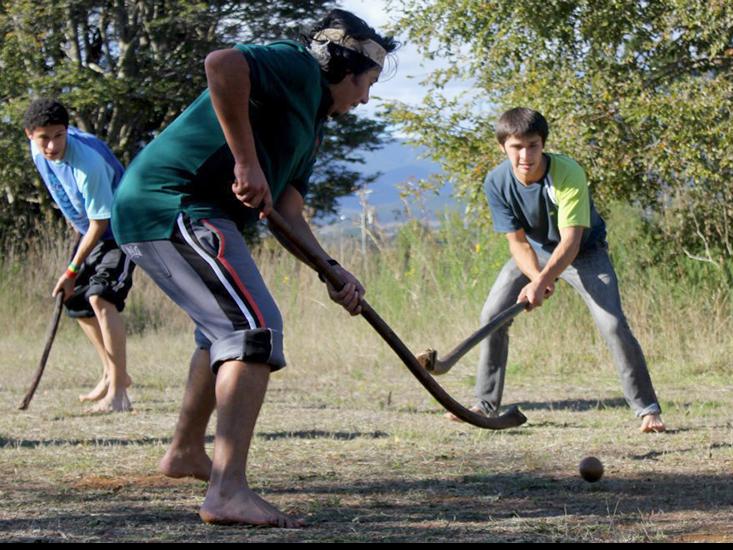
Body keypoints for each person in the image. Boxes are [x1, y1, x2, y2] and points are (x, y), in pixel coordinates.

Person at [111, 9, 397, 528]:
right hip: (171, 204)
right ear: (344, 68)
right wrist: (246, 161)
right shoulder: (296, 66)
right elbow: (222, 65)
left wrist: (331, 270)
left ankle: (186, 453)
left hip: (191, 213)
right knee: (253, 330)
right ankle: (226, 491)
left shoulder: (310, 128)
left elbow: (287, 212)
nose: (365, 99)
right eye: (367, 83)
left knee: (219, 332)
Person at [446, 107, 665, 434]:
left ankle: (647, 410)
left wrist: (544, 280)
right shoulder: (496, 182)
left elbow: (571, 241)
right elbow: (517, 242)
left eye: (532, 145)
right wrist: (538, 278)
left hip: (585, 252)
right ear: (503, 147)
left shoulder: (567, 173)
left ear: (543, 144)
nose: (525, 155)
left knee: (613, 324)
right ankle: (485, 404)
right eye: (516, 147)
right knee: (493, 314)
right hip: (534, 250)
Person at [23, 99, 135, 413]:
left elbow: (102, 221)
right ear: (29, 134)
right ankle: (115, 374)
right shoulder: (38, 151)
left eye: (59, 136)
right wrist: (75, 260)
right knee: (75, 300)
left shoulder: (88, 162)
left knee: (101, 298)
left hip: (121, 228)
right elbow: (62, 192)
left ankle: (118, 395)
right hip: (90, 230)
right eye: (44, 137)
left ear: (67, 130)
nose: (52, 145)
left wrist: (72, 268)